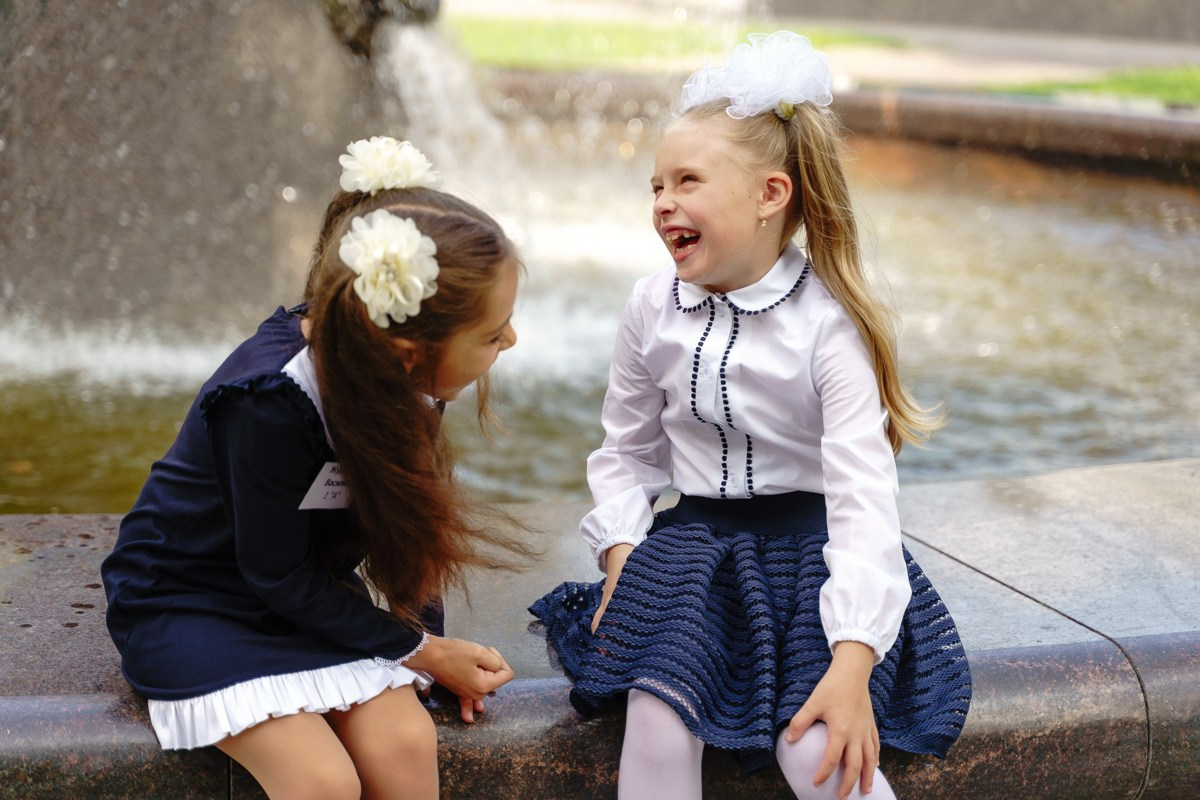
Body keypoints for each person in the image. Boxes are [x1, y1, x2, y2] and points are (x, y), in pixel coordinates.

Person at [530, 32, 971, 800]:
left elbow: (866, 500)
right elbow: (627, 453)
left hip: (813, 562)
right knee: (658, 718)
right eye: (656, 186)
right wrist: (621, 555)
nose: (664, 202)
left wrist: (853, 660)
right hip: (690, 559)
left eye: (688, 181)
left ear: (771, 195)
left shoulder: (829, 326)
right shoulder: (650, 309)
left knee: (815, 747)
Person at [102, 136, 531, 800]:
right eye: (492, 331)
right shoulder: (269, 401)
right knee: (322, 783)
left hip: (305, 600)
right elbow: (272, 570)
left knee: (406, 741)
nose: (510, 340)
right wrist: (418, 651)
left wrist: (429, 653)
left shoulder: (405, 378)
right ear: (410, 348)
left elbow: (405, 527)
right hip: (195, 602)